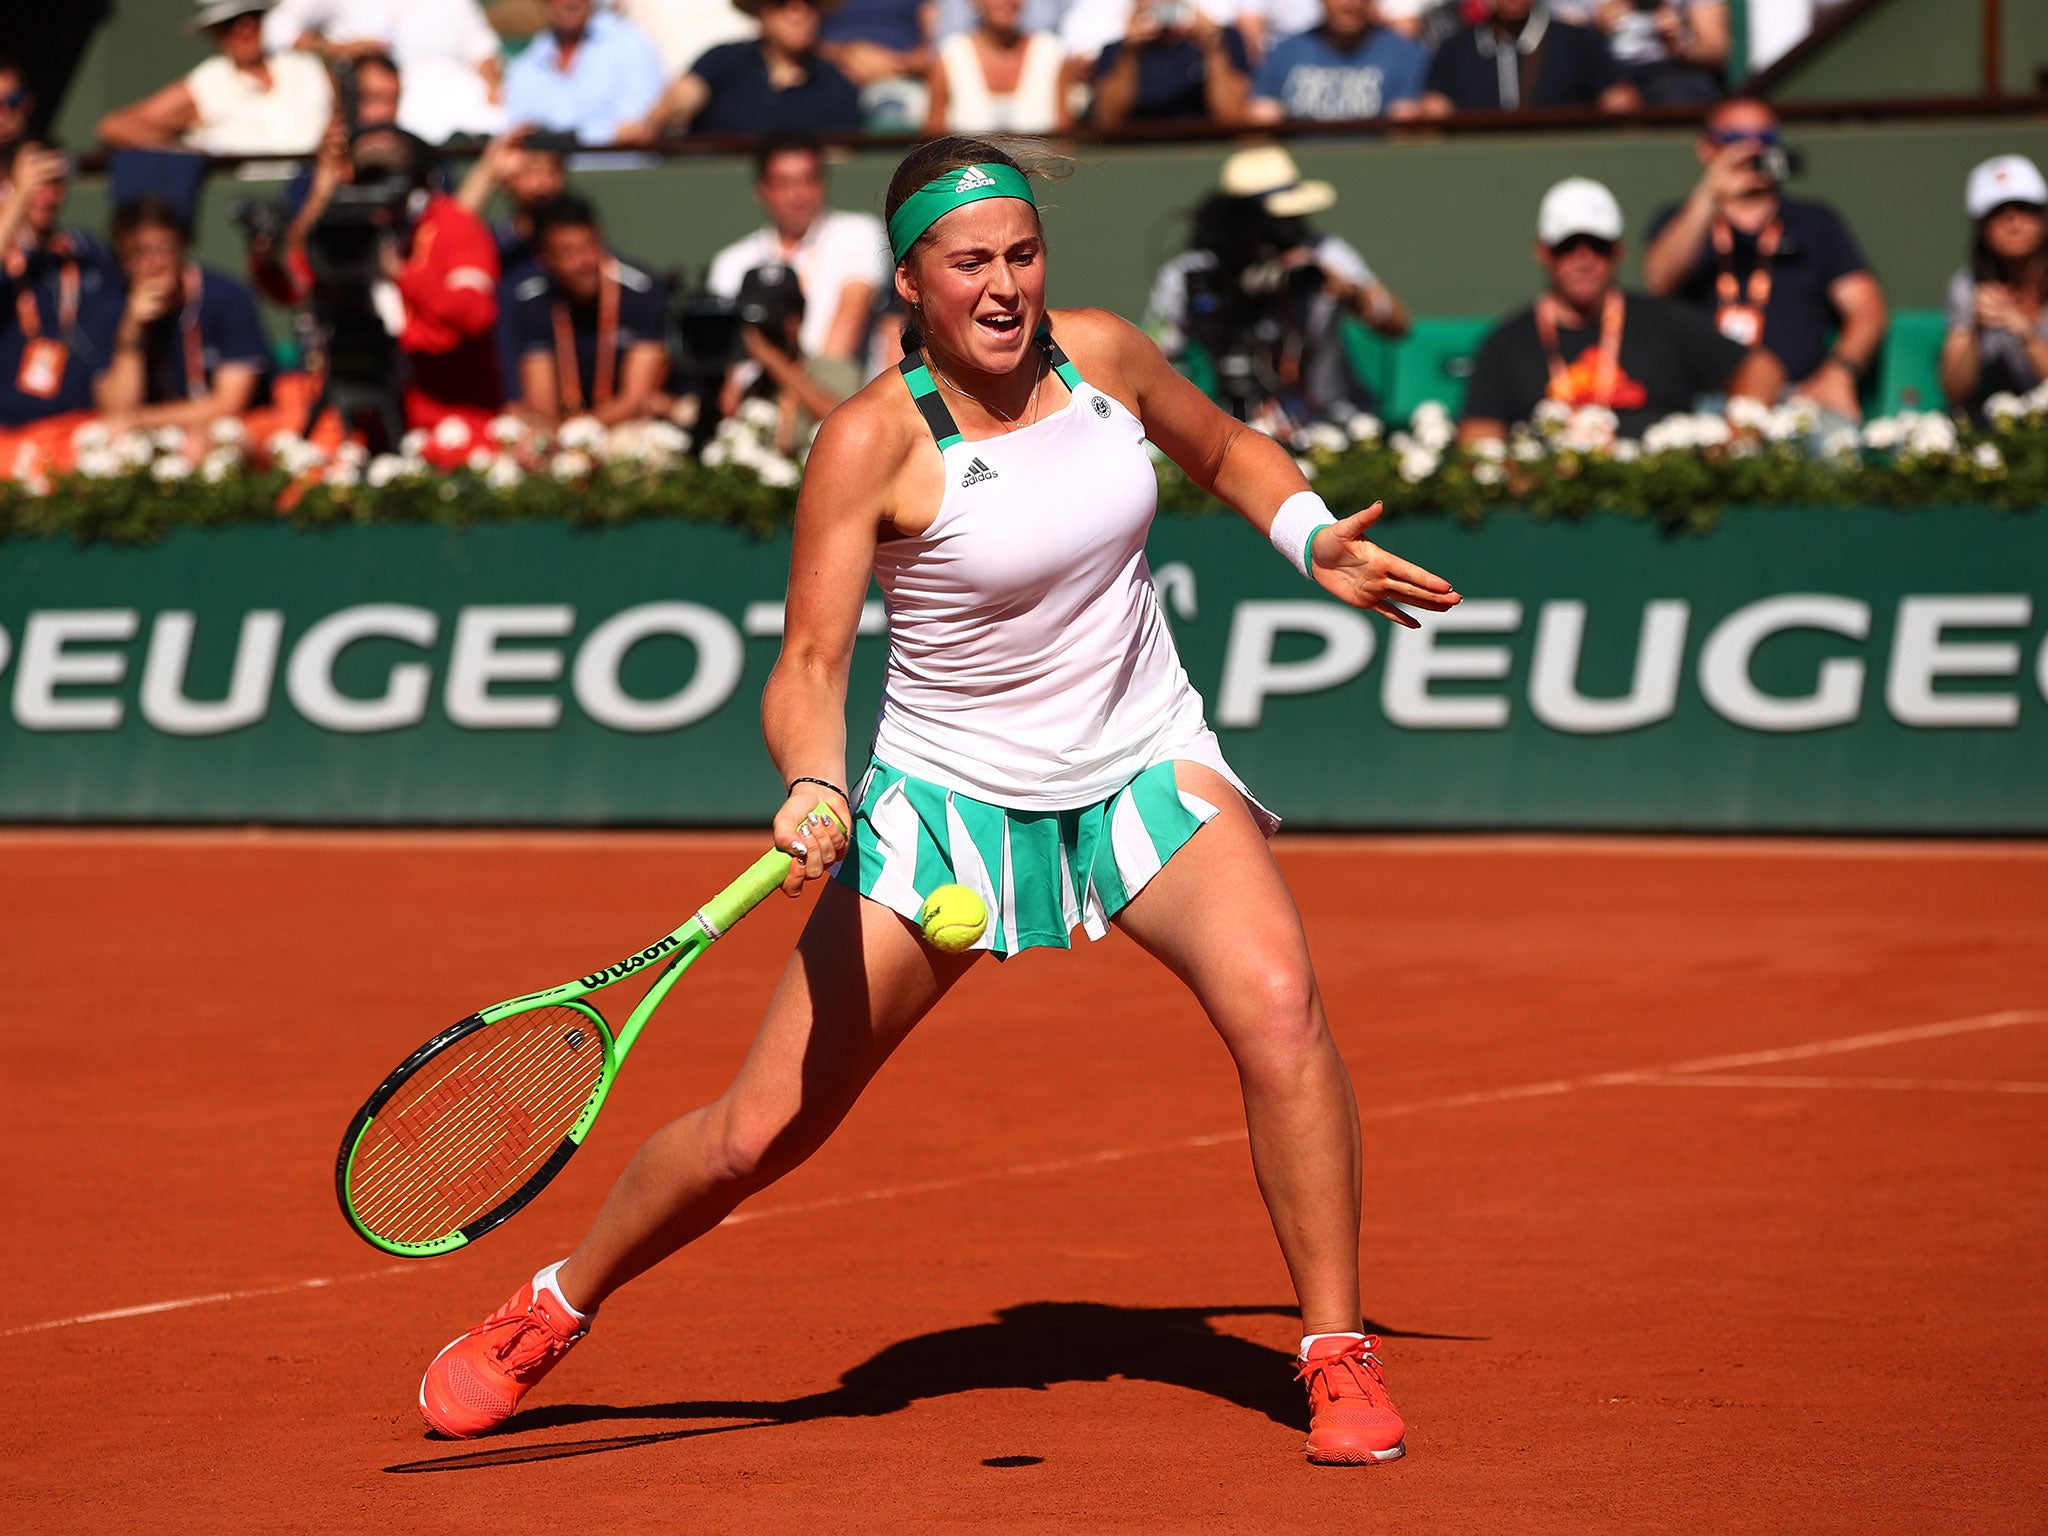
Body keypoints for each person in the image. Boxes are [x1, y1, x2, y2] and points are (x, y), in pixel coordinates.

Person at [415, 133, 1461, 1469]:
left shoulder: (1104, 358)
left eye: (1022, 253)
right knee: (753, 1136)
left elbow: (1228, 447)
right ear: (911, 279)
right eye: (971, 261)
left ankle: (1334, 1353)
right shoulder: (866, 442)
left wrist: (1312, 535)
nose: (1006, 284)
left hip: (1143, 758)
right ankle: (552, 1307)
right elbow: (808, 665)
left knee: (1281, 1012)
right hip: (949, 803)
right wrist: (810, 778)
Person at [1460, 176, 1779, 444]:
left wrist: (1735, 439)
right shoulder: (1506, 343)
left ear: (1619, 252)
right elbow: (1478, 440)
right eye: (1567, 248)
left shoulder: (1663, 322)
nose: (1583, 261)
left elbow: (1762, 369)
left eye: (1598, 247)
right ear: (1543, 253)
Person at [1641, 96, 1886, 423]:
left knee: (1835, 448)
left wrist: (1840, 371)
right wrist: (1709, 196)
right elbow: (1659, 281)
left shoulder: (1816, 222)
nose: (1753, 150)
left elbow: (1867, 309)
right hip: (1704, 403)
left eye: (1766, 140)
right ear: (1707, 149)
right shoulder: (1679, 219)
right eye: (1735, 140)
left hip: (1798, 398)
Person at [1147, 144, 1410, 428]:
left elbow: (1398, 324)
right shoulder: (1195, 272)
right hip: (1240, 425)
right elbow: (1156, 349)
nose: (1296, 225)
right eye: (1281, 220)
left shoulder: (1322, 253)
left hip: (1330, 424)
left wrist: (1353, 294)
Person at [707, 134, 887, 404]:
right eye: (784, 183)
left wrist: (802, 398)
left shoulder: (859, 233)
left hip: (836, 401)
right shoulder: (731, 262)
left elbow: (844, 337)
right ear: (761, 190)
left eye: (809, 180)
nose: (798, 194)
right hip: (752, 407)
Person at [84, 195, 273, 434]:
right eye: (137, 254)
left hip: (226, 433)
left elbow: (229, 404)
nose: (153, 264)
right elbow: (116, 411)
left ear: (183, 246)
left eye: (163, 250)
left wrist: (139, 420)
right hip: (149, 437)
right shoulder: (112, 308)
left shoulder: (228, 298)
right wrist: (131, 331)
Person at [509, 192, 672, 425]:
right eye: (569, 253)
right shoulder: (531, 299)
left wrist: (576, 433)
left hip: (625, 426)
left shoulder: (642, 290)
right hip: (562, 429)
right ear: (545, 259)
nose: (585, 261)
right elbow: (542, 407)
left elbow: (636, 400)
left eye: (590, 246)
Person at [95, 1, 334, 158]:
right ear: (214, 31)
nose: (245, 28)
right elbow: (115, 128)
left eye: (252, 16)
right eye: (230, 23)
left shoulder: (309, 67)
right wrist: (190, 155)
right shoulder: (206, 84)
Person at [259, 0, 508, 142]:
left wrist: (492, 82)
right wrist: (337, 48)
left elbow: (481, 45)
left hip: (455, 113)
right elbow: (276, 31)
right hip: (376, 113)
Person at [621, 0, 865, 139]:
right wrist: (651, 124)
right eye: (781, 3)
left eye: (809, 3)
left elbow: (837, 160)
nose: (797, 14)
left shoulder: (836, 85)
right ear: (761, 12)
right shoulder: (723, 60)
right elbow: (682, 97)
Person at [0, 143, 116, 426]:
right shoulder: (8, 253)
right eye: (36, 182)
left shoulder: (83, 250)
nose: (47, 194)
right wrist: (19, 198)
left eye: (55, 181)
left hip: (75, 423)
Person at [1941, 154, 2048, 416]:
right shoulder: (1967, 286)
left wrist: (2026, 332)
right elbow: (1956, 391)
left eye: (2024, 208)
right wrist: (1974, 328)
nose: (2013, 222)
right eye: (1998, 212)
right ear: (1981, 226)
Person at [1415, 0, 1638, 118]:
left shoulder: (1577, 42)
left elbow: (1620, 102)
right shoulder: (1455, 49)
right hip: (1477, 171)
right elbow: (1435, 113)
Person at [501, 0, 666, 145]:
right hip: (546, 177)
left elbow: (635, 131)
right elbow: (518, 134)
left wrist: (556, 142)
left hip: (620, 173)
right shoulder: (526, 65)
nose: (570, 2)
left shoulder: (632, 44)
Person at [1247, 0, 1428, 124]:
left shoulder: (1405, 53)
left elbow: (1405, 134)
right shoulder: (1285, 52)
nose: (1349, 3)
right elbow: (1261, 126)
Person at [1090, 0, 1254, 128]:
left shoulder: (1223, 40)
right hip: (1140, 153)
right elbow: (1108, 121)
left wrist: (1213, 49)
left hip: (1203, 148)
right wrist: (1130, 52)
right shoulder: (1117, 51)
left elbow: (1234, 119)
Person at [926, 0, 1071, 134]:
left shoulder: (1052, 52)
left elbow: (1065, 140)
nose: (1006, 2)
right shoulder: (949, 55)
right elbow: (933, 142)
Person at [1547, 0, 1726, 106]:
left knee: (1684, 92)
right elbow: (1552, 46)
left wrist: (1679, 41)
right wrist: (1593, 25)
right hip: (1597, 72)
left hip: (1669, 70)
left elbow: (1716, 51)